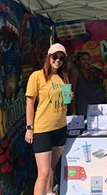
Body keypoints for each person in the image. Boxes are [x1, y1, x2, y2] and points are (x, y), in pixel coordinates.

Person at [25, 43, 74, 195]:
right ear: (48, 57)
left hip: (60, 128)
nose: (57, 60)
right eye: (54, 57)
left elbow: (64, 102)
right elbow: (30, 103)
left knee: (52, 169)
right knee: (44, 173)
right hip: (43, 130)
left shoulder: (63, 77)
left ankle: (49, 193)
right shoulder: (37, 76)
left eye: (61, 58)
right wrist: (29, 128)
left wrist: (69, 97)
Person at [68, 51, 97, 116]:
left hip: (90, 105)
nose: (86, 62)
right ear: (78, 61)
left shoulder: (92, 71)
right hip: (78, 107)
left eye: (88, 59)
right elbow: (72, 93)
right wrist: (73, 112)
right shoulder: (74, 72)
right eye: (83, 59)